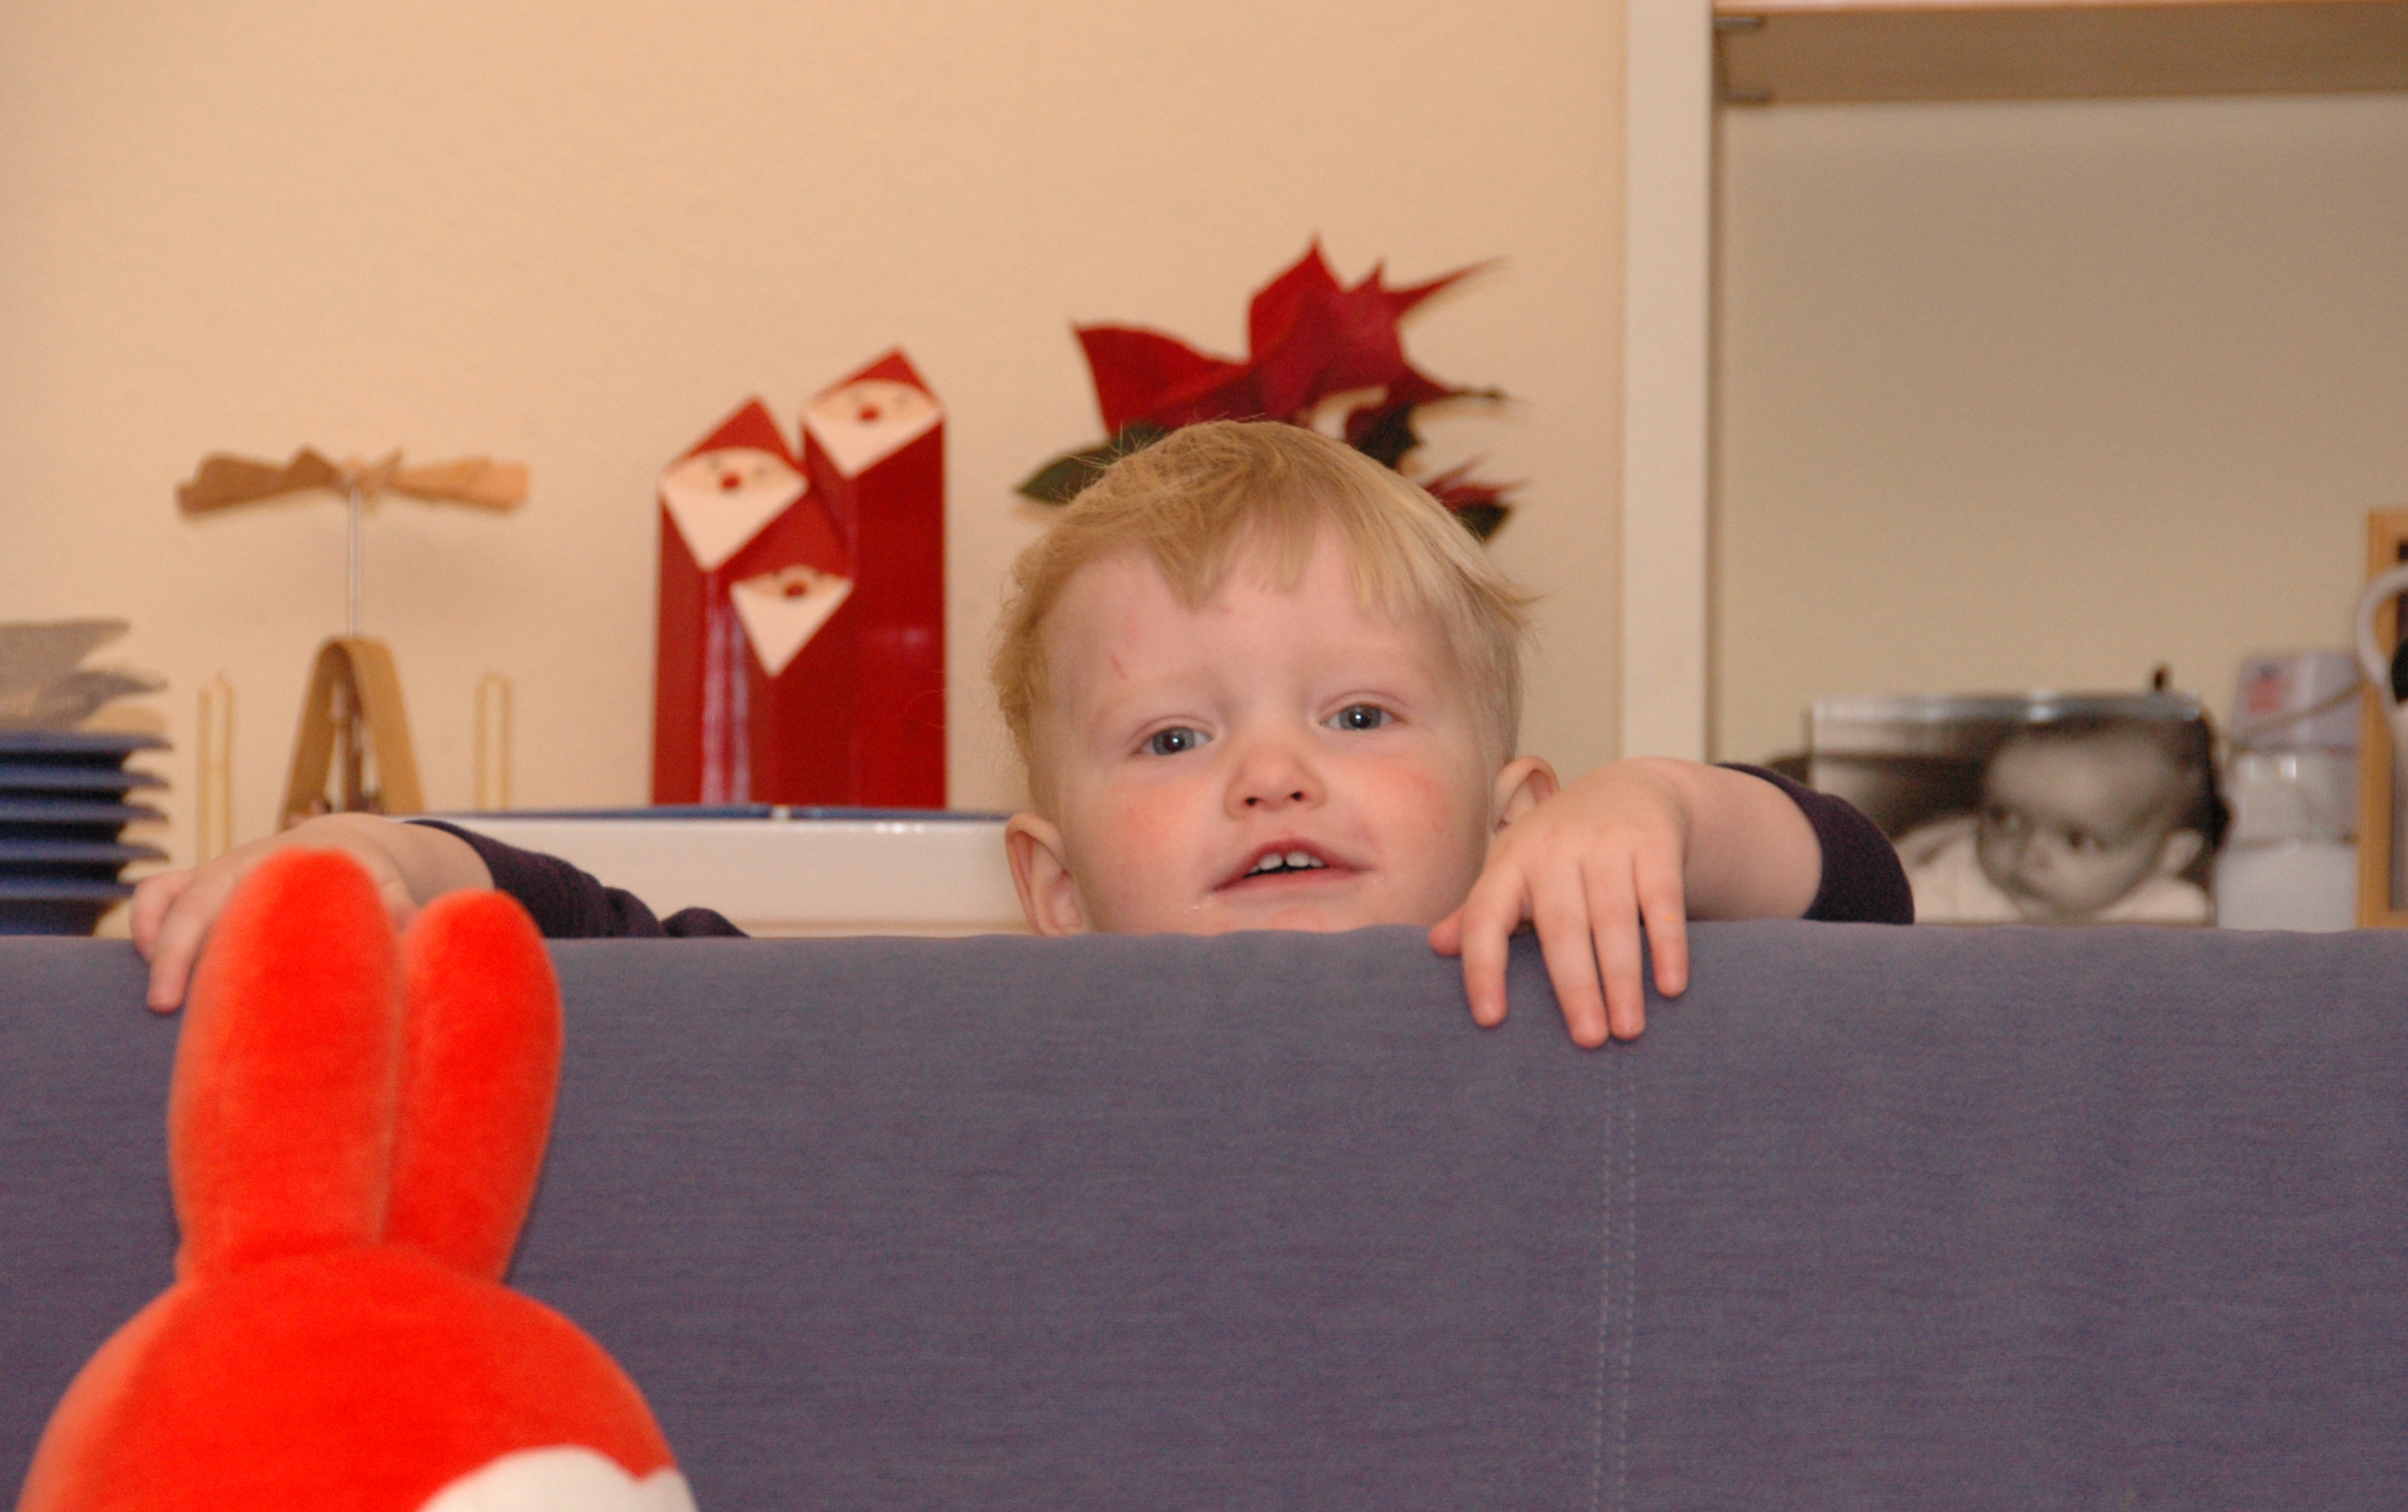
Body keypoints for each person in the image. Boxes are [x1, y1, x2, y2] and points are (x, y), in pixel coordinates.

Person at [134, 422, 1909, 1045]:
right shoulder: (978, 1049)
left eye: (1359, 714)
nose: (1269, 773)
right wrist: (387, 854)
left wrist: (1655, 813)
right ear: (1052, 890)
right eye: (1172, 741)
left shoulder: (1572, 985)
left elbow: (1863, 900)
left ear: (1514, 819)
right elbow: (612, 958)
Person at [1898, 715, 2216, 924]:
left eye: (2078, 841)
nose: (2029, 855)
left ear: (2170, 855)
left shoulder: (2174, 918)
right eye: (2006, 820)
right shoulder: (1959, 877)